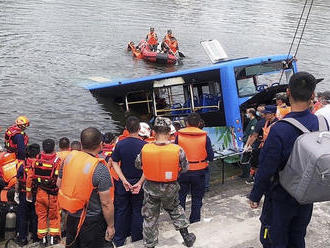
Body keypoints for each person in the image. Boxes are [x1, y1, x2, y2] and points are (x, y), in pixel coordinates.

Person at [249, 72, 323, 248]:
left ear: (288, 92)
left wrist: (256, 195)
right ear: (312, 95)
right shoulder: (321, 125)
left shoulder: (279, 129)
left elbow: (266, 168)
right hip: (307, 195)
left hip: (281, 196)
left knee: (274, 239)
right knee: (298, 237)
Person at [135, 117, 196, 248]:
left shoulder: (145, 149)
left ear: (153, 132)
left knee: (150, 217)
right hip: (170, 188)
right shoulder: (178, 150)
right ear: (169, 132)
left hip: (151, 188)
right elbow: (185, 168)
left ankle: (150, 244)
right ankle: (187, 237)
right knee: (175, 209)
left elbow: (138, 165)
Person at [57, 127, 114, 248]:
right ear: (100, 145)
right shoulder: (100, 168)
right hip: (92, 221)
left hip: (71, 216)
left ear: (81, 143)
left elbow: (59, 184)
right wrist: (111, 226)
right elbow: (106, 203)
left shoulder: (69, 159)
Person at [111, 116, 147, 246]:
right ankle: (136, 238)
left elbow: (114, 162)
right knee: (138, 211)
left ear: (126, 128)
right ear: (139, 129)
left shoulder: (120, 144)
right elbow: (148, 168)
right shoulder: (145, 146)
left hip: (124, 184)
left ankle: (119, 239)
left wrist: (123, 179)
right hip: (139, 183)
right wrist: (140, 182)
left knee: (121, 211)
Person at [176, 113, 214, 223]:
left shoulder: (179, 136)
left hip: (183, 171)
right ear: (199, 123)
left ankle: (180, 220)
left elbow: (175, 153)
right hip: (200, 171)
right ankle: (195, 219)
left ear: (186, 123)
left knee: (181, 197)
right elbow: (210, 156)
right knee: (197, 197)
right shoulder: (205, 137)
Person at [33, 139, 62, 246]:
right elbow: (60, 178)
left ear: (43, 148)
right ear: (54, 148)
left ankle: (42, 239)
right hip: (52, 194)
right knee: (54, 217)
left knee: (41, 216)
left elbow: (31, 176)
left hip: (40, 192)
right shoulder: (58, 161)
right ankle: (54, 238)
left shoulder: (37, 159)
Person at [15, 144, 40, 246]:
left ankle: (22, 238)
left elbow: (17, 181)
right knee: (35, 216)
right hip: (35, 194)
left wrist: (16, 193)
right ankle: (35, 238)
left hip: (23, 194)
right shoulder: (40, 165)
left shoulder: (22, 165)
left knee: (22, 217)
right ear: (38, 153)